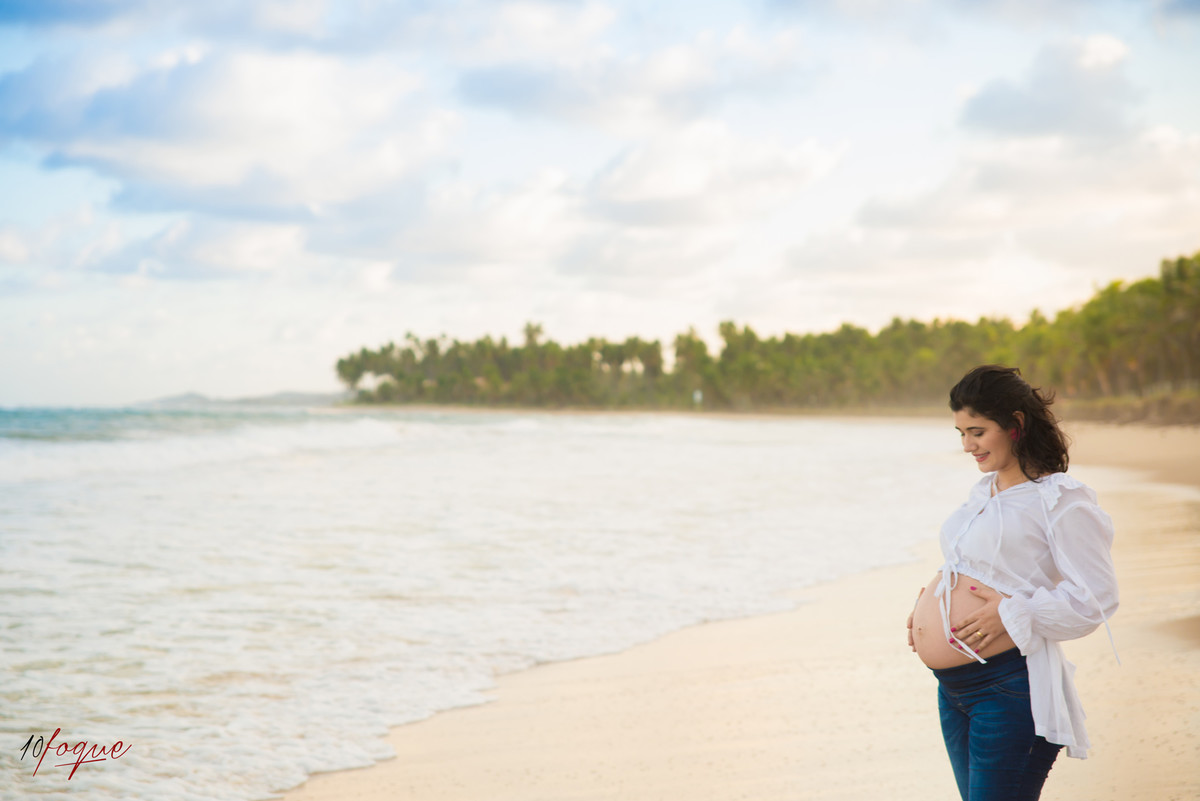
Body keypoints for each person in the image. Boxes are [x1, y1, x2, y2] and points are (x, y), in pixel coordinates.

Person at [906, 365, 1119, 801]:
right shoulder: (982, 493)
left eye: (977, 432)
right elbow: (977, 567)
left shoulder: (1059, 499)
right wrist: (931, 601)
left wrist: (1013, 610)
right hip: (954, 691)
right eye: (960, 433)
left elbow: (1095, 599)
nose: (967, 446)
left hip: (1007, 687)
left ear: (1015, 425)